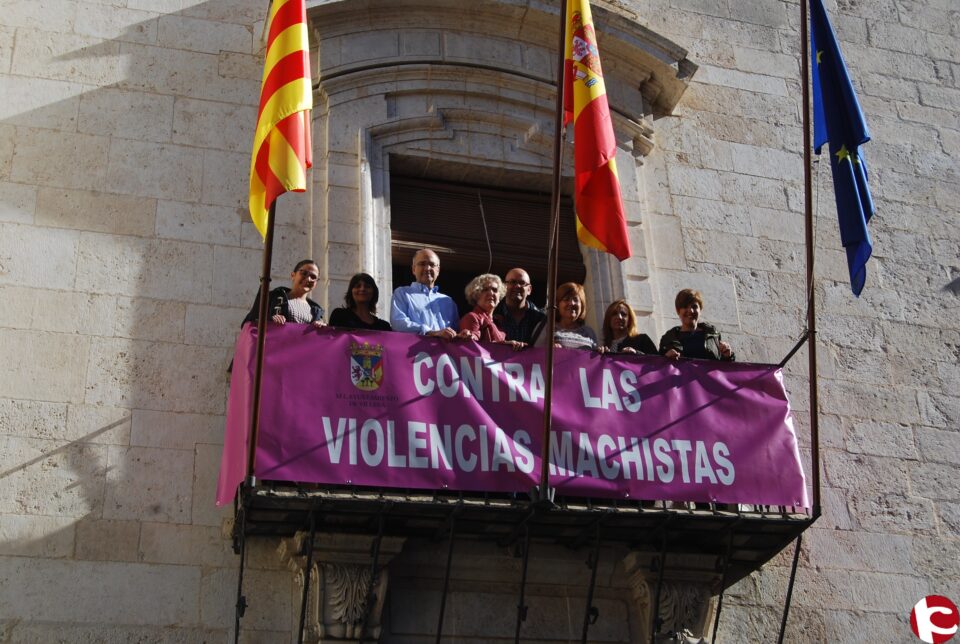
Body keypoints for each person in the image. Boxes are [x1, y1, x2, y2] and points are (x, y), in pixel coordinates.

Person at [390, 248, 471, 340]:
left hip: (443, 354)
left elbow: (454, 332)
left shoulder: (448, 301)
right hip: (415, 353)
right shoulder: (402, 293)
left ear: (438, 270)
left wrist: (460, 335)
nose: (427, 268)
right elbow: (398, 323)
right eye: (422, 264)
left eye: (432, 265)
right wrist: (431, 332)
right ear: (413, 269)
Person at [242, 259, 325, 328]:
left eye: (313, 277)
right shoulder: (273, 297)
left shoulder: (316, 311)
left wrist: (322, 328)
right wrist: (269, 320)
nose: (308, 279)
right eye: (304, 273)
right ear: (293, 275)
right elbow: (249, 323)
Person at [659, 288, 735, 361]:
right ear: (678, 311)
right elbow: (658, 369)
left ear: (700, 309)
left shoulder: (713, 334)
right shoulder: (668, 339)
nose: (691, 311)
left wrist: (728, 355)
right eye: (685, 307)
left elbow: (723, 368)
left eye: (694, 306)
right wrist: (666, 359)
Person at [460, 274, 525, 349]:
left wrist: (510, 345)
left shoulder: (499, 321)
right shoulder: (472, 317)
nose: (491, 293)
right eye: (485, 289)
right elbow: (471, 348)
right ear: (476, 295)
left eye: (495, 290)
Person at [534, 282, 603, 351]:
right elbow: (534, 354)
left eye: (576, 300)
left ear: (581, 305)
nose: (571, 303)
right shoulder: (546, 328)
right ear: (557, 304)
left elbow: (595, 359)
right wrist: (549, 352)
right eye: (566, 299)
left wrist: (602, 353)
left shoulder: (589, 332)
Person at [492, 267, 546, 344]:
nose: (517, 286)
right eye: (512, 282)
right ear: (504, 286)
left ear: (529, 289)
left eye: (522, 283)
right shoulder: (492, 315)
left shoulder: (541, 319)